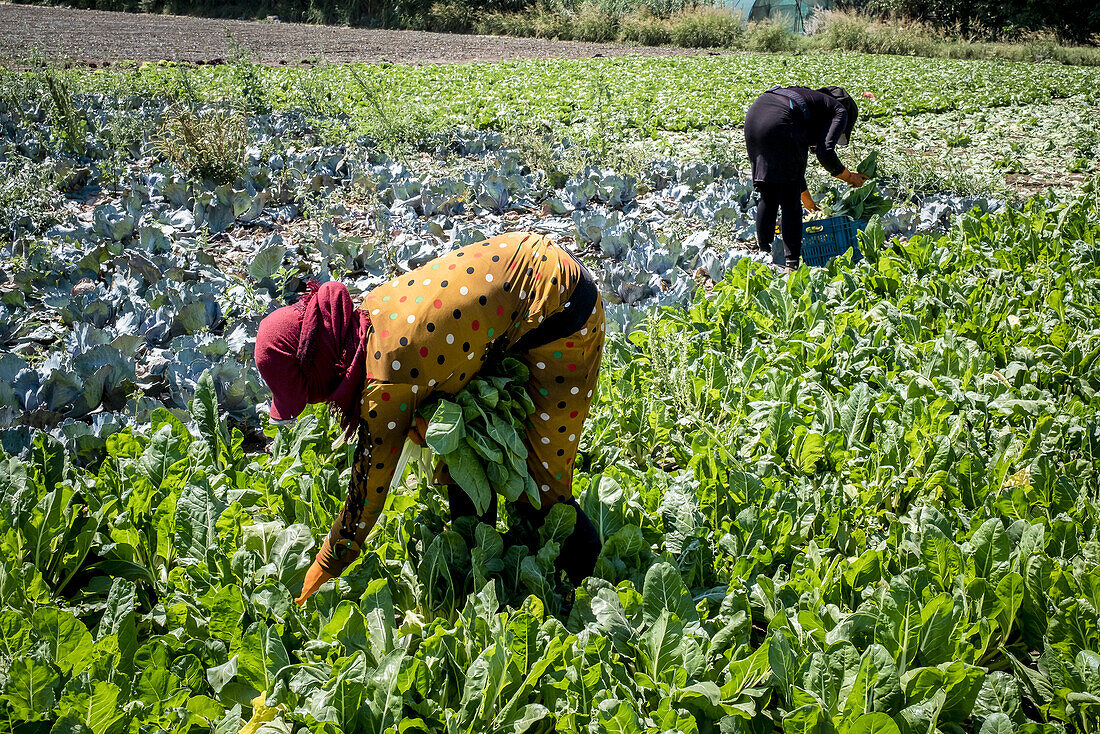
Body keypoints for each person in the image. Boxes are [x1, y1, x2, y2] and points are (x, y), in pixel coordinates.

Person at [254, 232, 605, 605]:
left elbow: (368, 491)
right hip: (524, 280)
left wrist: (326, 564)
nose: (315, 403)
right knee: (459, 446)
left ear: (321, 369)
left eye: (309, 393)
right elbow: (436, 364)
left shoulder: (386, 378)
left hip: (563, 312)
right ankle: (480, 566)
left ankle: (593, 584)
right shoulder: (370, 315)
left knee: (543, 487)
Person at [744, 85, 868, 271]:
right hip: (781, 121)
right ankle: (791, 265)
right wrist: (850, 177)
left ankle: (764, 256)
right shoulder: (840, 110)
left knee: (769, 194)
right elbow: (825, 152)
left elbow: (794, 171)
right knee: (790, 199)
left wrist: (809, 203)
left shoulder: (812, 103)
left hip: (755, 117)